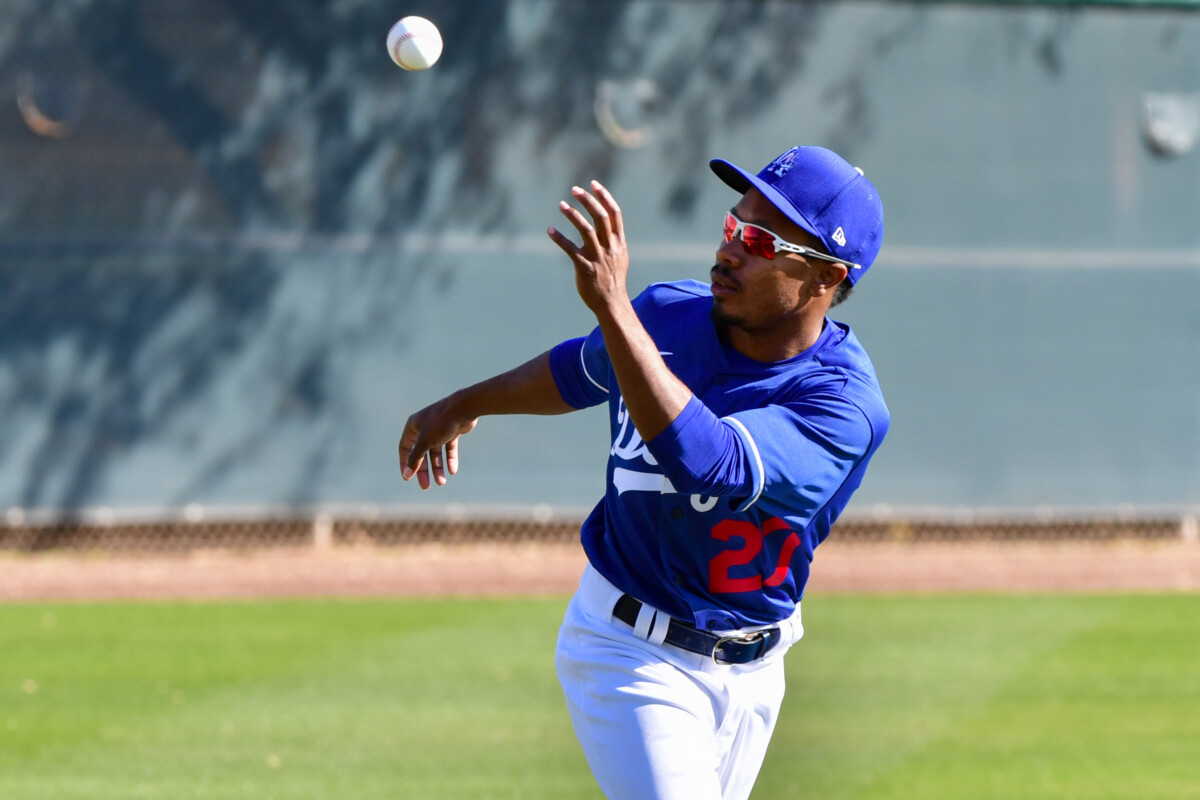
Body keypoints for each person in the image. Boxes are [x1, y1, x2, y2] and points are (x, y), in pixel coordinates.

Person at [399, 145, 888, 800]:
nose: (732, 250)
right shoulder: (663, 317)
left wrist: (613, 309)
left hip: (755, 673)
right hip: (630, 649)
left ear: (826, 278)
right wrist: (468, 402)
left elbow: (711, 465)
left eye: (761, 241)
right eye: (733, 227)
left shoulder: (842, 406)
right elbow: (579, 370)